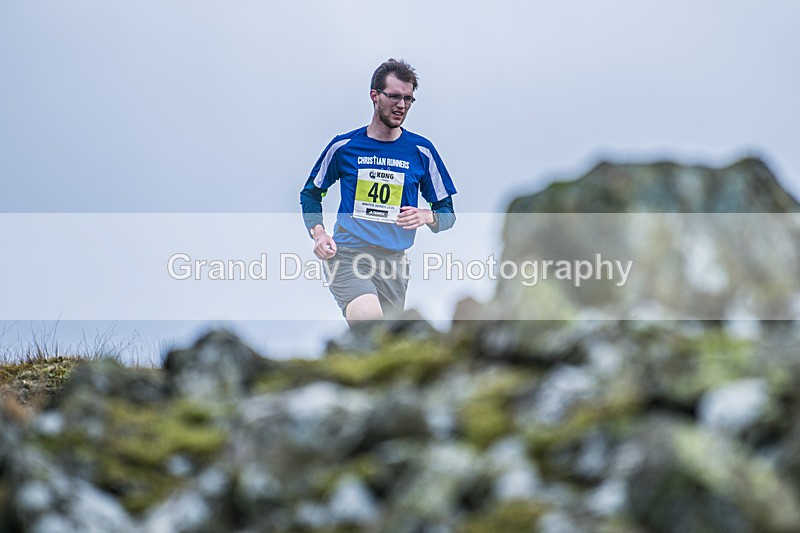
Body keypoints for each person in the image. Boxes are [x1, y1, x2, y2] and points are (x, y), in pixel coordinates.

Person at [300, 58, 457, 325]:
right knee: (371, 325)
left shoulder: (422, 152)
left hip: (394, 265)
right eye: (394, 96)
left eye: (408, 99)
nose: (401, 105)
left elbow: (448, 213)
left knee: (384, 349)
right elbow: (311, 194)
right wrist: (318, 233)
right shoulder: (344, 147)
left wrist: (427, 216)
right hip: (348, 256)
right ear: (375, 96)